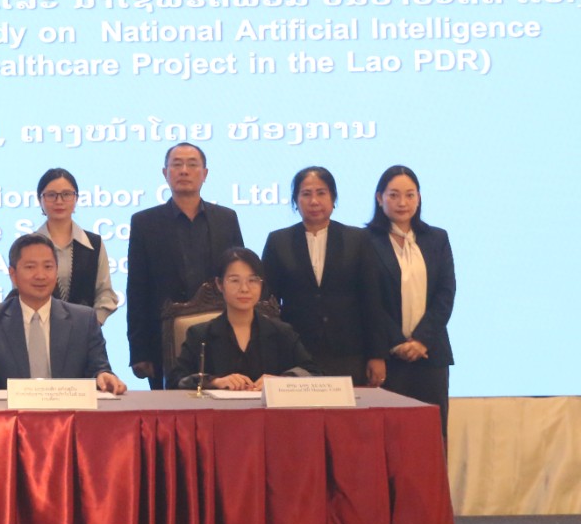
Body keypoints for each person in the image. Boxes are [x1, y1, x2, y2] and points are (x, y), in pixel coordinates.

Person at [125, 142, 245, 388]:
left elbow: (239, 276)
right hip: (163, 342)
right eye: (177, 164)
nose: (184, 171)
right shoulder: (144, 223)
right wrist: (139, 351)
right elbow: (137, 289)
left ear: (205, 173)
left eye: (192, 164)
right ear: (165, 173)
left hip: (222, 337)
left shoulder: (226, 219)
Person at [260, 166, 389, 387]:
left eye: (321, 193)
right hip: (296, 351)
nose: (314, 201)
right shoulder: (278, 241)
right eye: (306, 194)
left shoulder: (357, 239)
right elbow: (267, 302)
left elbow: (372, 300)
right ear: (295, 200)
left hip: (348, 351)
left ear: (333, 198)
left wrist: (377, 355)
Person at [0, 234, 126, 395]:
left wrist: (104, 375)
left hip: (68, 410)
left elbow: (99, 367)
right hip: (10, 411)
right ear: (13, 274)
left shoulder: (83, 319)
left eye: (48, 267)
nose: (40, 275)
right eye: (30, 267)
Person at [364, 165, 455, 435]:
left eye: (410, 195)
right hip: (387, 358)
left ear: (419, 197)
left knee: (431, 436)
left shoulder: (437, 238)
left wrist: (421, 340)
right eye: (393, 195)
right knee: (389, 435)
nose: (402, 202)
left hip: (430, 354)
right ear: (379, 198)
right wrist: (397, 343)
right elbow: (369, 300)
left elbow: (445, 293)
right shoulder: (365, 241)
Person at [170, 247, 317, 390]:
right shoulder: (200, 334)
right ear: (220, 284)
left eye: (252, 280)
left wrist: (281, 381)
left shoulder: (282, 333)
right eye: (235, 280)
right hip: (219, 407)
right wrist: (214, 381)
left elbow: (313, 373)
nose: (245, 289)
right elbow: (176, 380)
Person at [33, 168, 119, 324]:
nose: (59, 201)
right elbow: (20, 295)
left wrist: (90, 326)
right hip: (39, 332)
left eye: (66, 194)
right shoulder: (29, 246)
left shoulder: (94, 243)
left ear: (76, 198)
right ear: (40, 200)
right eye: (51, 195)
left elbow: (106, 295)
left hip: (86, 333)